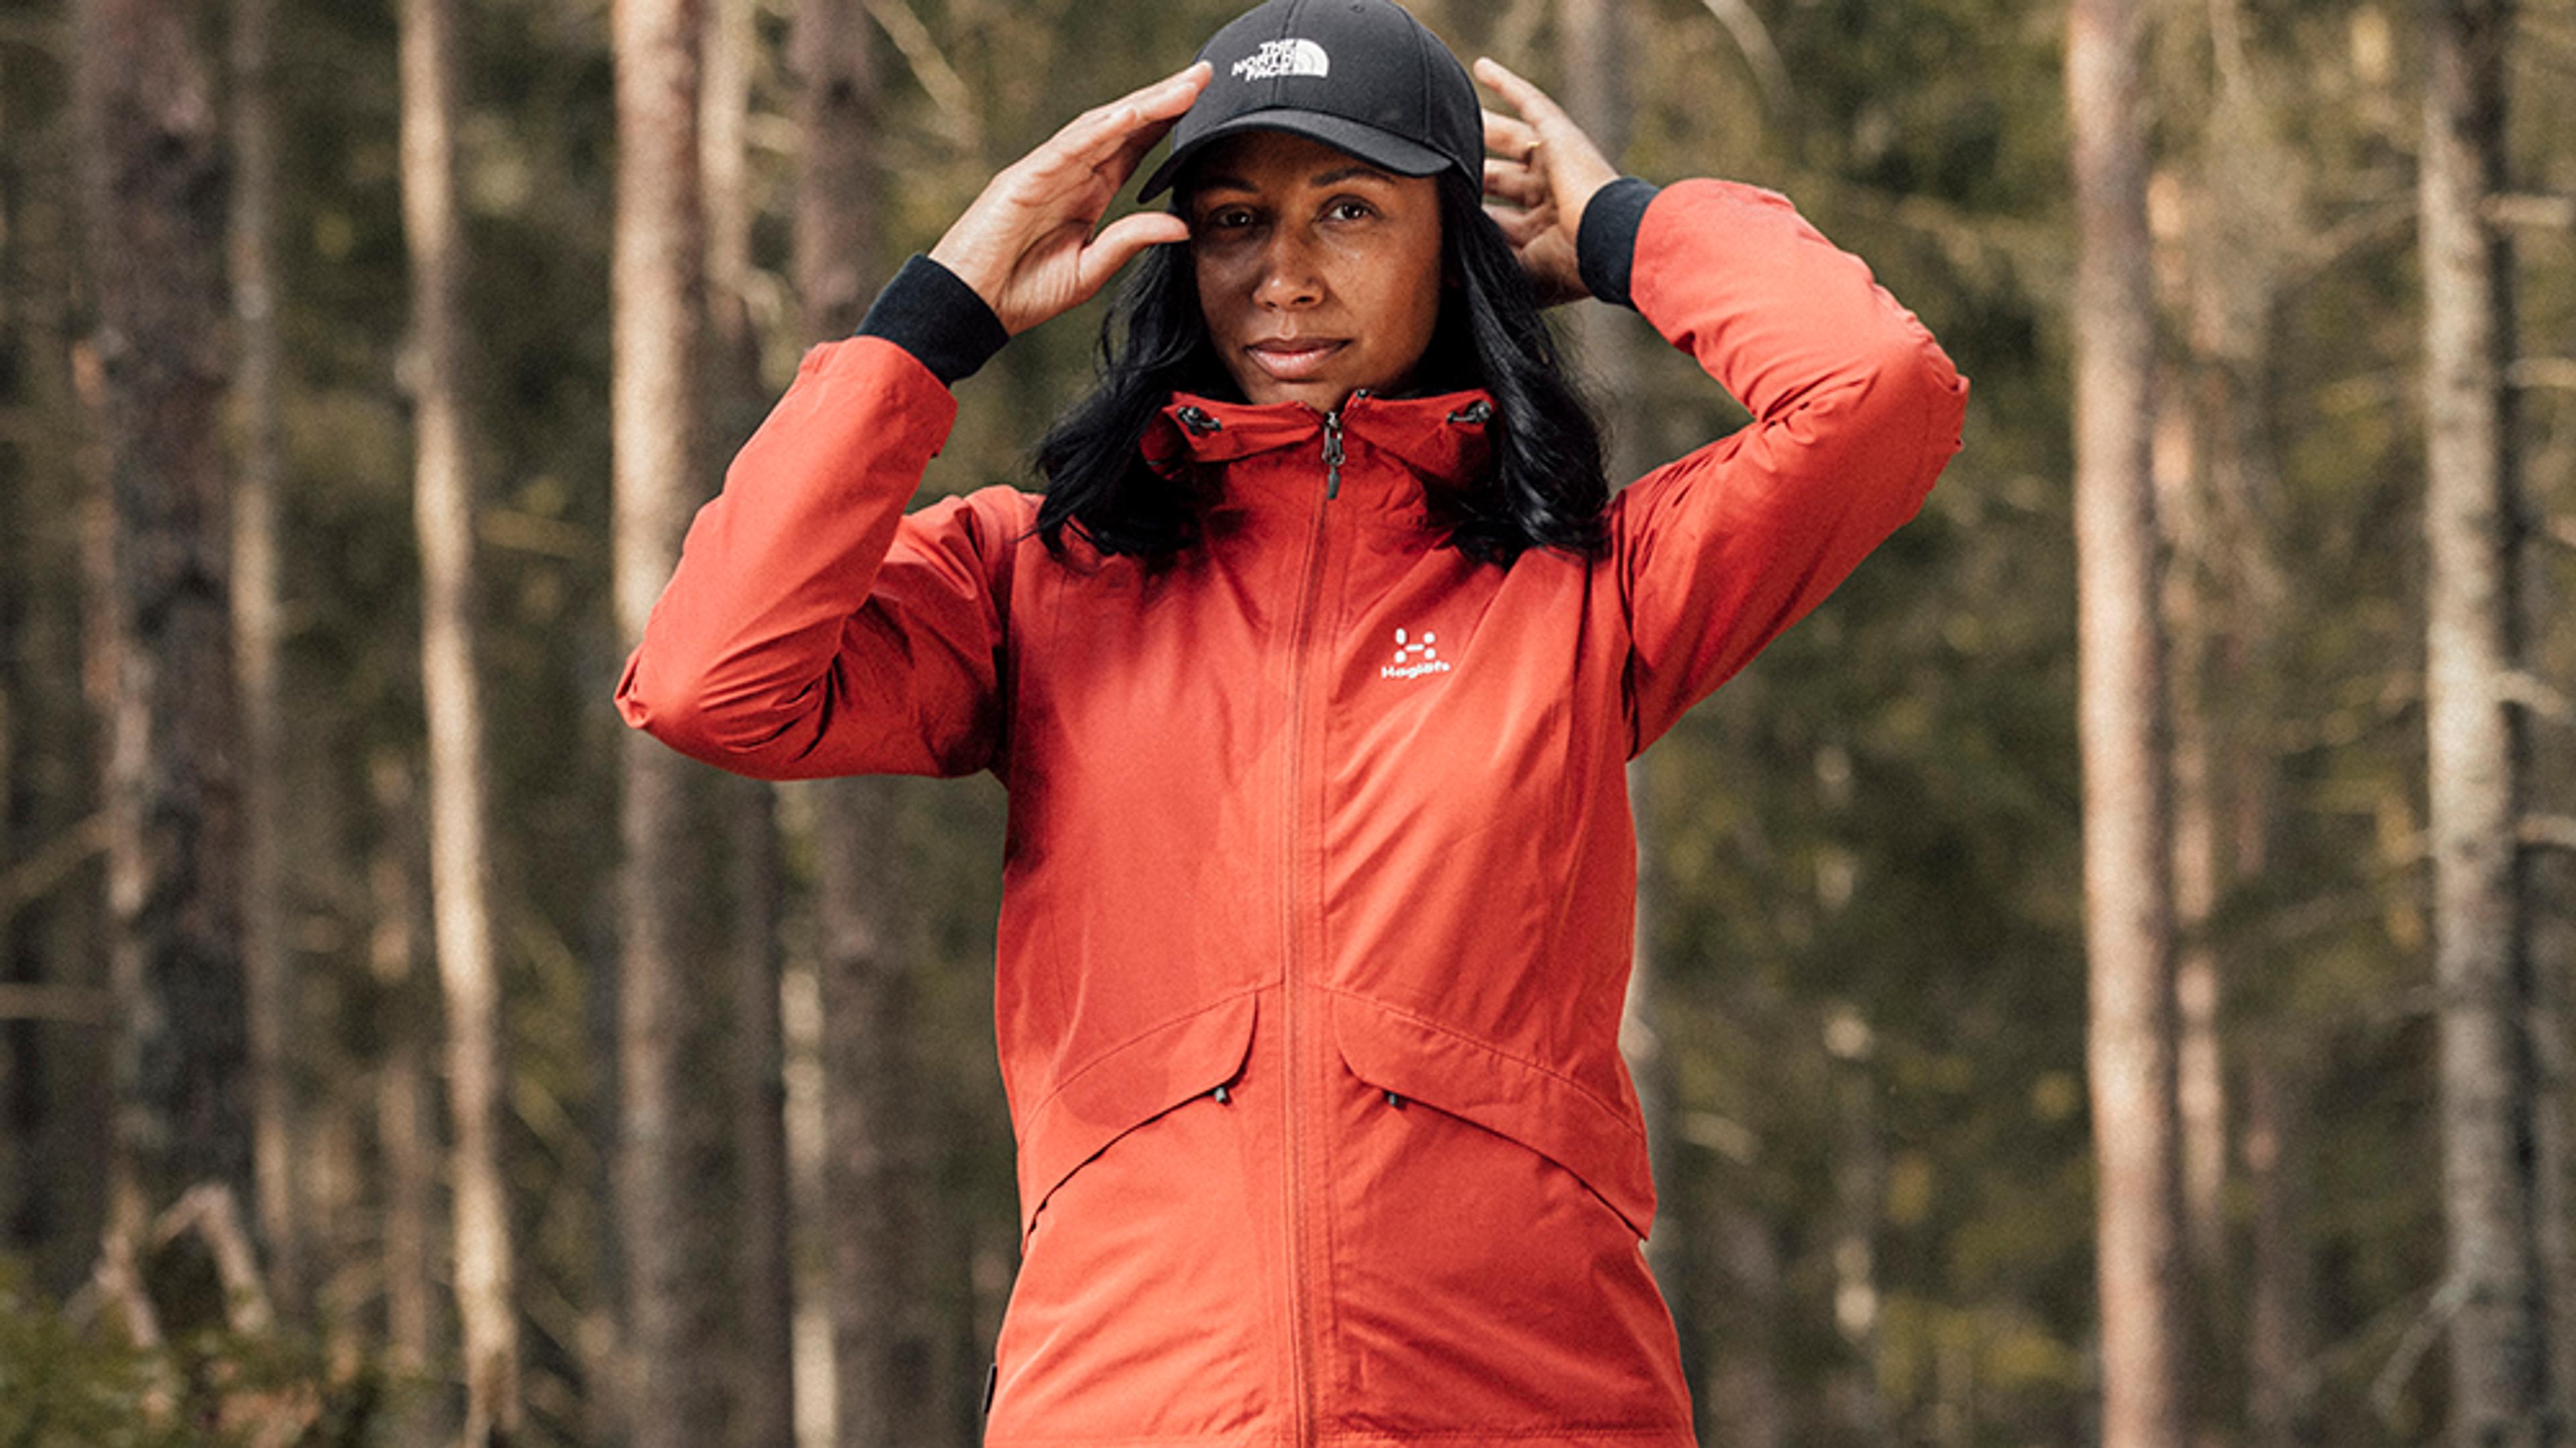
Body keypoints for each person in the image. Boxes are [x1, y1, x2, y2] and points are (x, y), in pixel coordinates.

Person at [617, 0, 1966, 1441]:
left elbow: (1876, 391)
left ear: (1454, 243)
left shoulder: (1588, 583)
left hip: (1529, 1400)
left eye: (1348, 210)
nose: (1283, 274)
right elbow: (713, 677)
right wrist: (939, 312)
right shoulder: (1036, 573)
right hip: (1130, 1402)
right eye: (1234, 219)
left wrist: (1627, 228)